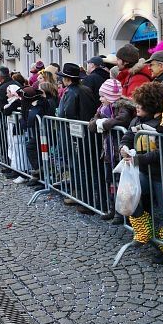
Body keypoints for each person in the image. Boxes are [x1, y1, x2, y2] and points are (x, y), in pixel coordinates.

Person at [119, 81, 163, 245]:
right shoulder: (136, 121)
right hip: (143, 171)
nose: (137, 107)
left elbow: (162, 153)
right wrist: (123, 148)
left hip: (162, 174)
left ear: (151, 105)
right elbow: (127, 138)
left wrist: (137, 159)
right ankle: (144, 230)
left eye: (141, 104)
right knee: (129, 194)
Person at [89, 78, 137, 222]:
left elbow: (122, 120)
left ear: (110, 96)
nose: (100, 98)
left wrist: (103, 123)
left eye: (103, 96)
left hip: (120, 151)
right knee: (110, 181)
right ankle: (113, 209)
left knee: (121, 183)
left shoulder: (123, 107)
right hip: (108, 151)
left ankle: (123, 213)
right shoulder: (102, 108)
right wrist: (100, 122)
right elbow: (91, 124)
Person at [56, 62, 98, 214]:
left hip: (76, 133)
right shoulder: (85, 89)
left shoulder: (70, 92)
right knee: (87, 166)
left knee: (80, 167)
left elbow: (65, 114)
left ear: (67, 79)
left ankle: (85, 200)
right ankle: (90, 199)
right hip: (88, 132)